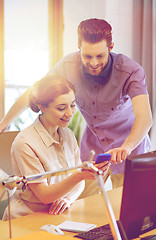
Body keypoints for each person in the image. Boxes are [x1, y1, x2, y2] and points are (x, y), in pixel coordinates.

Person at [0, 18, 152, 191]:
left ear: (111, 48)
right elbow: (36, 92)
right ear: (78, 47)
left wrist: (126, 147)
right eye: (87, 56)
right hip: (92, 151)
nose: (94, 63)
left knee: (127, 206)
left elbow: (145, 117)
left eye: (100, 56)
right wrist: (3, 123)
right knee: (80, 205)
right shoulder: (68, 65)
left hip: (129, 149)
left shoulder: (130, 71)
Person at [2, 75, 110, 220]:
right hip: (28, 216)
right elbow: (45, 195)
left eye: (72, 105)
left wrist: (68, 199)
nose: (70, 113)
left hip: (59, 214)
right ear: (42, 108)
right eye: (61, 108)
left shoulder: (68, 135)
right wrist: (79, 175)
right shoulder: (25, 143)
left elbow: (79, 184)